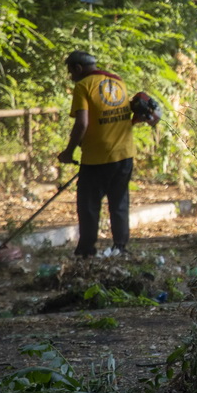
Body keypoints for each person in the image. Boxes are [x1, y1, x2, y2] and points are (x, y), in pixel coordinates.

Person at [57, 50, 136, 258]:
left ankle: (86, 250)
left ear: (78, 68)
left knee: (89, 206)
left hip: (97, 159)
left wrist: (68, 152)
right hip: (125, 154)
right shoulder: (118, 82)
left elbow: (82, 123)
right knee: (119, 203)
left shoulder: (83, 86)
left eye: (70, 71)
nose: (70, 76)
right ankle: (120, 246)